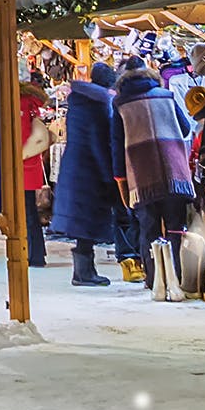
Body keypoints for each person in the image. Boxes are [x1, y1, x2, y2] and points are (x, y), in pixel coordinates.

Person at [113, 59, 197, 273]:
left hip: (141, 174)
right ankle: (178, 275)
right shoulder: (166, 95)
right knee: (176, 227)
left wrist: (120, 178)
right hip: (174, 170)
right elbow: (186, 128)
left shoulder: (121, 104)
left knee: (148, 229)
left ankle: (155, 278)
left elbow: (116, 143)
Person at [51, 61, 129, 286]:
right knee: (87, 221)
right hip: (89, 169)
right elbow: (98, 140)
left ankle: (85, 271)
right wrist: (108, 173)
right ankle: (84, 273)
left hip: (77, 165)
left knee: (83, 222)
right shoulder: (98, 103)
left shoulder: (81, 101)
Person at [17, 79, 52, 268]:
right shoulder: (31, 102)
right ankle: (36, 251)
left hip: (19, 162)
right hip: (30, 162)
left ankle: (33, 254)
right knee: (29, 210)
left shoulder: (17, 102)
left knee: (24, 212)